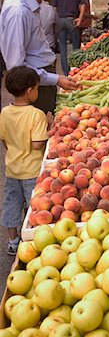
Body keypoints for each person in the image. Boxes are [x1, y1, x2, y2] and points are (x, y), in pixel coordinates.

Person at [0, 0, 78, 114]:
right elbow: (16, 67)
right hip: (34, 86)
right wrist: (55, 79)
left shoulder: (26, 1)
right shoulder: (19, 11)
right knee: (39, 132)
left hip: (41, 80)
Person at [0, 67, 49, 255]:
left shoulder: (5, 112)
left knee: (11, 204)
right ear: (30, 91)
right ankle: (35, 240)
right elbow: (37, 145)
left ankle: (13, 242)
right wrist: (48, 125)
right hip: (32, 171)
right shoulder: (36, 114)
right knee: (36, 208)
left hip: (12, 169)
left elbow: (5, 140)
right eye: (37, 88)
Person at [53, 0, 86, 75]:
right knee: (76, 47)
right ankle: (76, 71)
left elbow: (53, 7)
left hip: (60, 20)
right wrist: (80, 18)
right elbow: (83, 4)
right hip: (72, 20)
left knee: (63, 48)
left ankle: (66, 73)